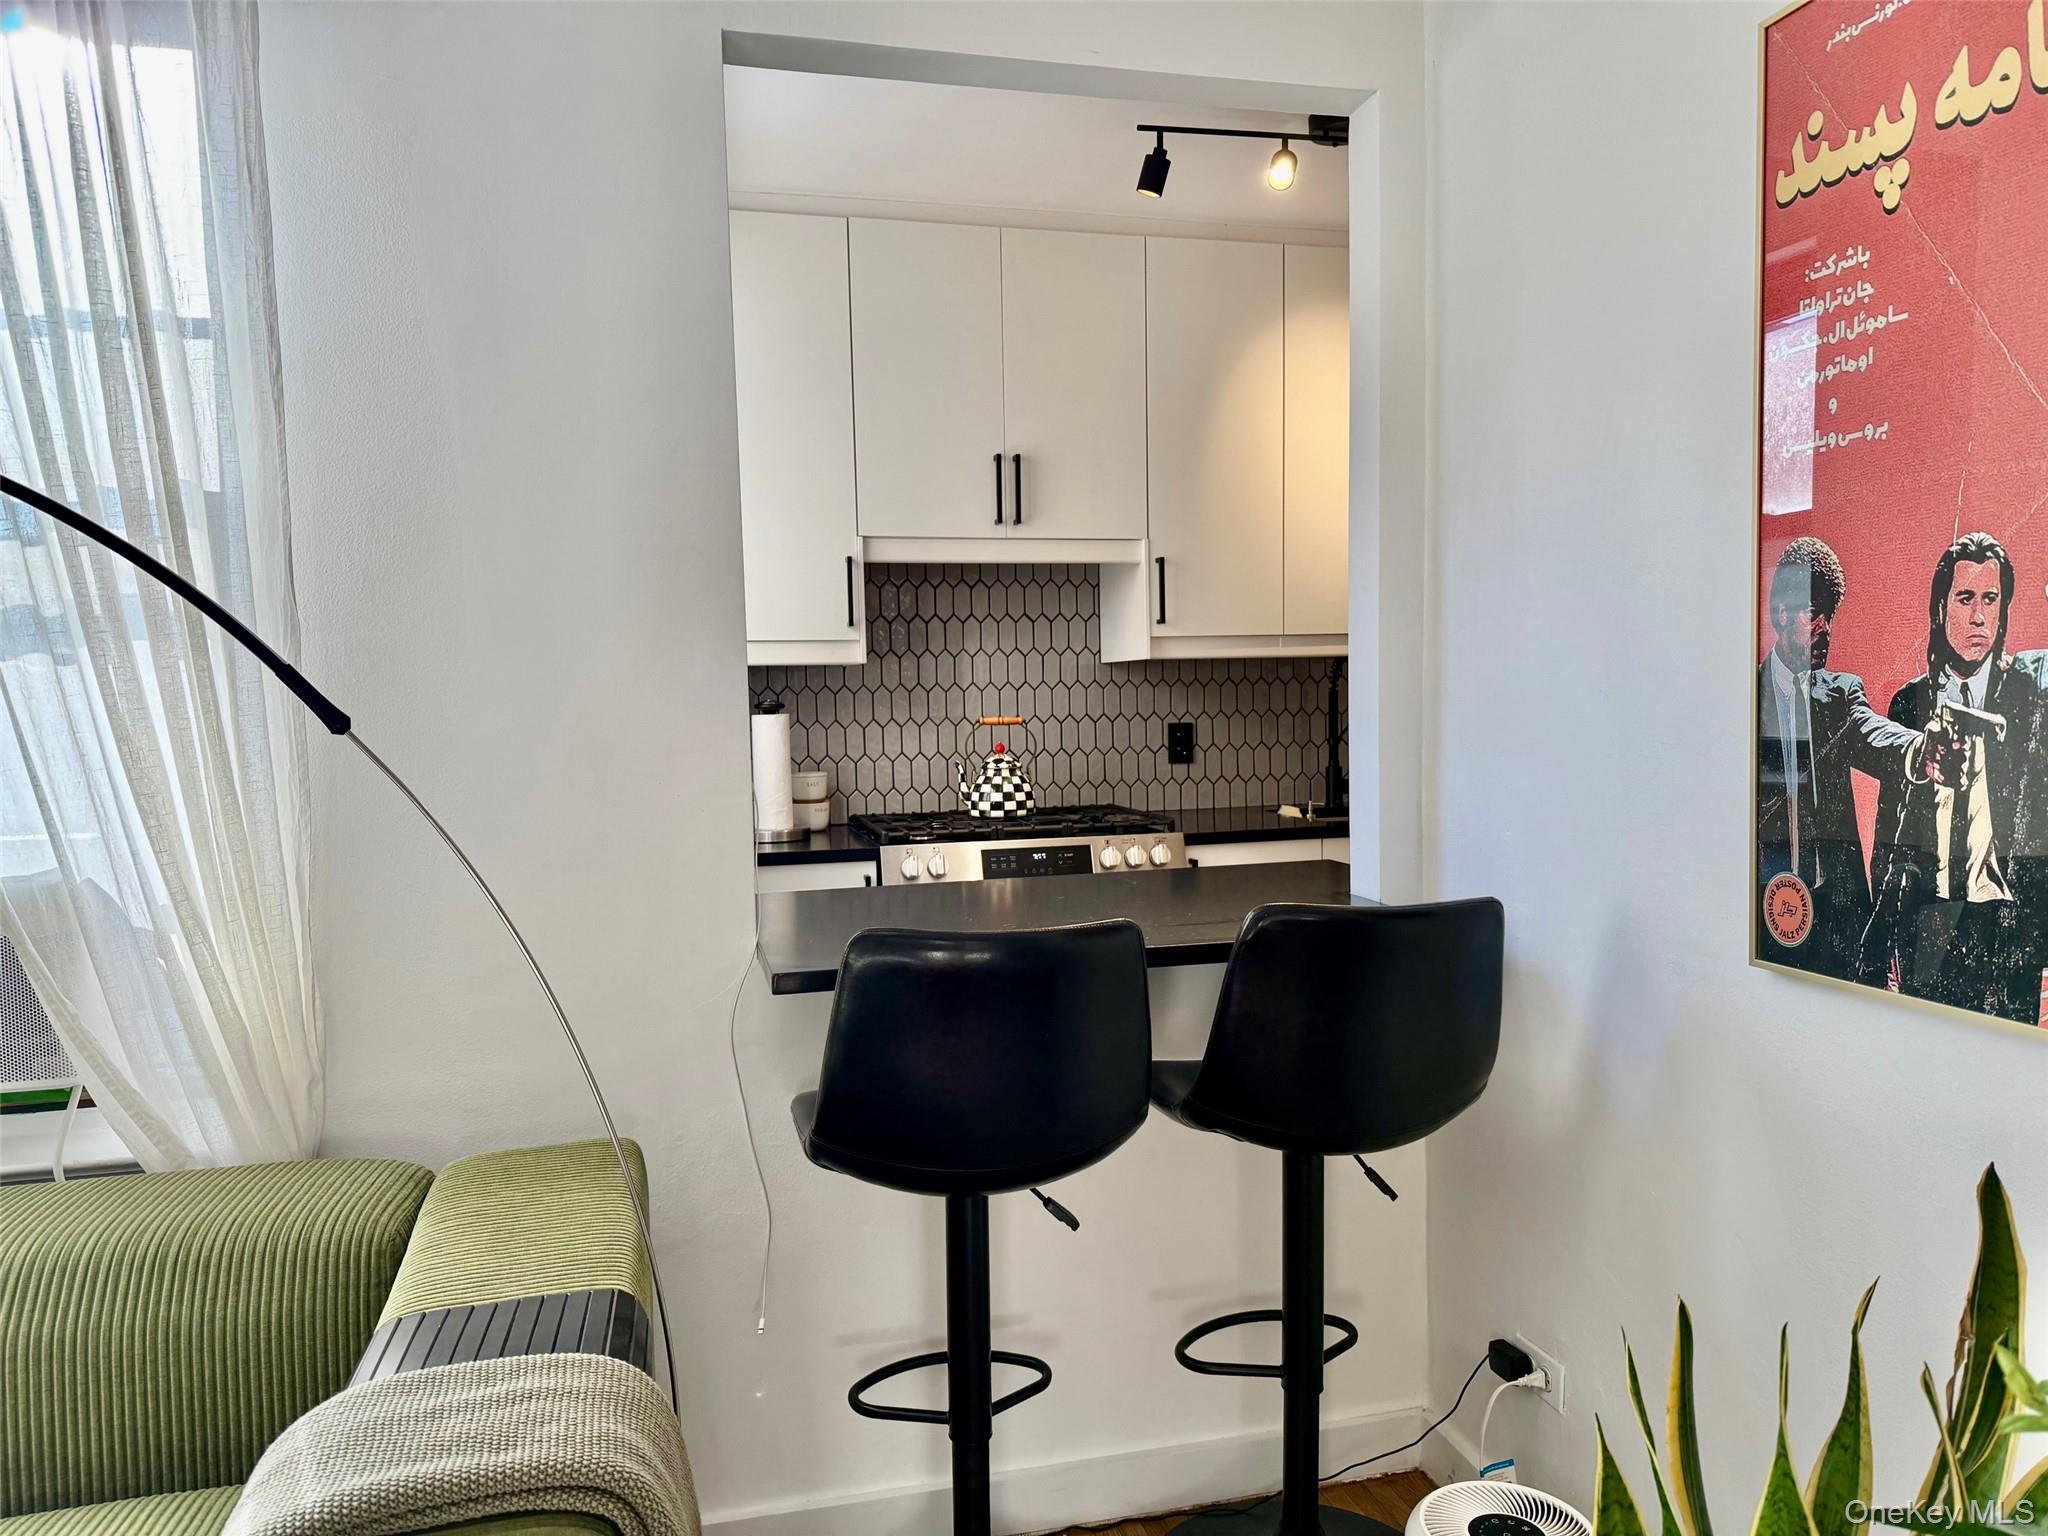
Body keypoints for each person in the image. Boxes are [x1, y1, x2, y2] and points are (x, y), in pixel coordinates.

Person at [1867, 532, 2048, 1023]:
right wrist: (1885, 938)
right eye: (1965, 598)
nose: (1978, 616)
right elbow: (1890, 836)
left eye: (1990, 599)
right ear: (1941, 607)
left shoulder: (2032, 694)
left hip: (2007, 924)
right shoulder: (1908, 702)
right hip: (1931, 917)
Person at [1757, 536, 1922, 981]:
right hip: (1762, 912)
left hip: (1839, 921)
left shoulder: (1840, 695)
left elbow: (1874, 733)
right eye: (1814, 613)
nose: (1826, 628)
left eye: (1830, 615)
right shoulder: (1745, 701)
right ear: (1780, 614)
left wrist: (1923, 749)